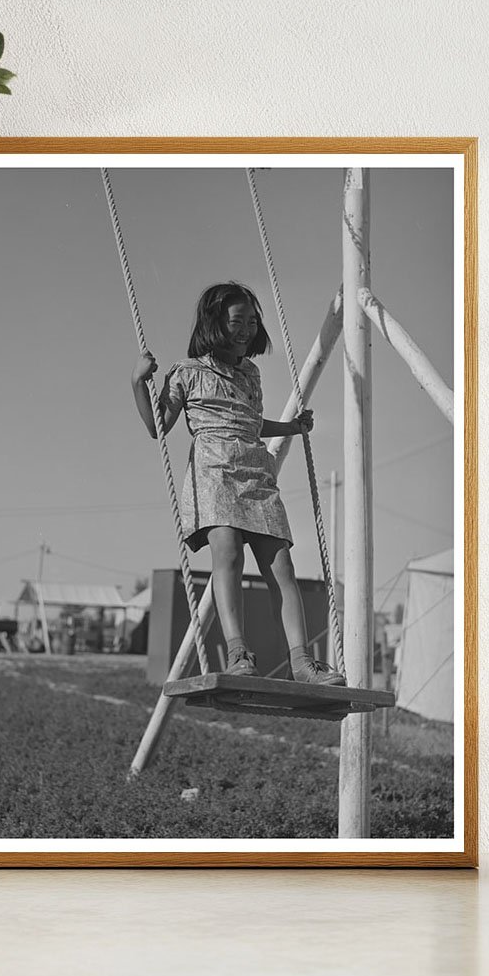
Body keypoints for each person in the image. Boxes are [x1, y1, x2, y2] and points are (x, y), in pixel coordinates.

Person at [130, 281, 344, 686]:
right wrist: (138, 382)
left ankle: (302, 662)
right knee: (227, 556)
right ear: (215, 324)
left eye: (250, 321)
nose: (245, 329)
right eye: (236, 321)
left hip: (254, 470)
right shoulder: (186, 373)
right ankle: (238, 653)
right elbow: (157, 426)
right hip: (214, 472)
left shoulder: (251, 373)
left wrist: (292, 428)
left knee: (281, 565)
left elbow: (250, 422)